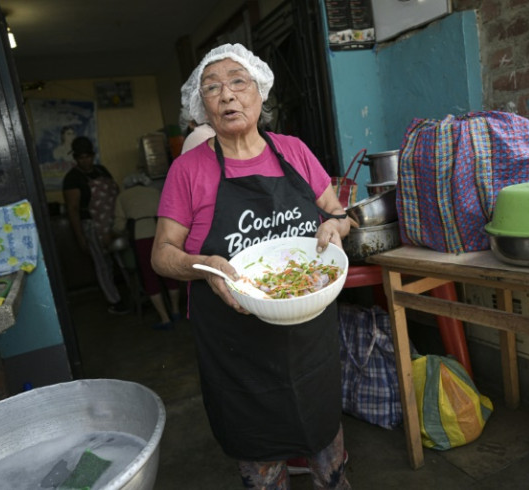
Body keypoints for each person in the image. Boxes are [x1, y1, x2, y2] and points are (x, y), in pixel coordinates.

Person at [152, 43, 353, 489]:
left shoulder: (295, 151)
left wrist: (336, 228)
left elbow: (338, 213)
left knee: (329, 457)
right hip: (236, 349)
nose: (227, 95)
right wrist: (204, 265)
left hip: (308, 338)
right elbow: (162, 253)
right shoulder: (188, 170)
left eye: (238, 81)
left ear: (260, 92)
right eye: (212, 87)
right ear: (200, 105)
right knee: (261, 467)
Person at [62, 136, 129, 315]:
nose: (85, 160)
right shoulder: (72, 178)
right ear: (75, 158)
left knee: (123, 260)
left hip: (113, 223)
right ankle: (114, 301)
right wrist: (80, 237)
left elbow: (116, 194)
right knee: (103, 265)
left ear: (93, 155)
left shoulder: (102, 170)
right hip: (92, 226)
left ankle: (133, 293)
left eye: (88, 156)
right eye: (81, 157)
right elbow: (73, 209)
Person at [113, 172, 181, 329]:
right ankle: (176, 311)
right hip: (161, 234)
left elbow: (119, 225)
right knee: (169, 273)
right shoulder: (154, 192)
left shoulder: (122, 197)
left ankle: (165, 319)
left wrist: (113, 233)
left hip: (140, 238)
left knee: (149, 277)